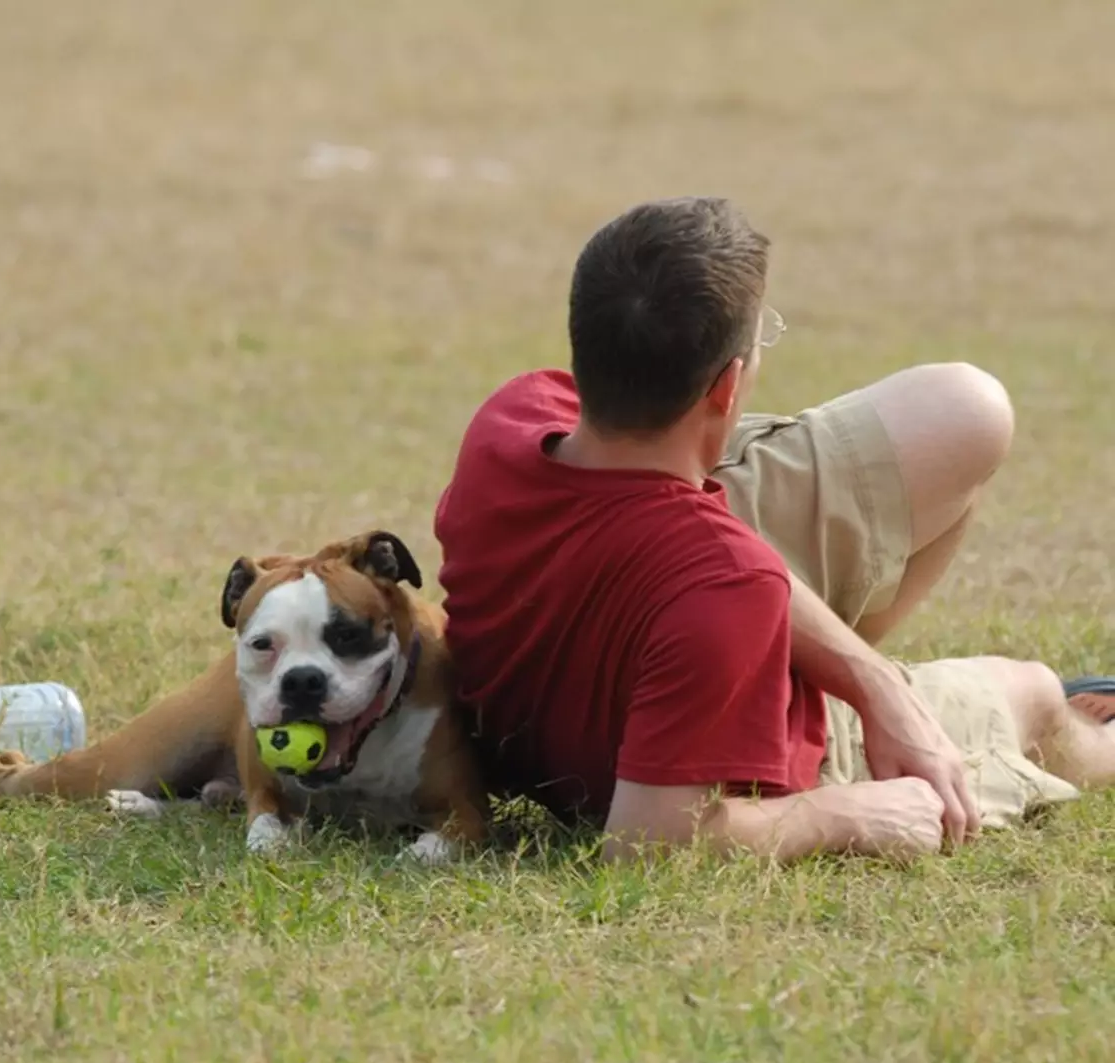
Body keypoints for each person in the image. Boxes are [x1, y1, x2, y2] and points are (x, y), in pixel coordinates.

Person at [433, 196, 1114, 864]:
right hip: (705, 720)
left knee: (965, 411)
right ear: (727, 388)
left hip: (643, 608)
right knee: (1034, 693)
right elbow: (650, 840)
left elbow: (725, 568)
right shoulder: (727, 586)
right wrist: (839, 815)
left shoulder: (510, 418)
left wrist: (876, 683)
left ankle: (858, 680)